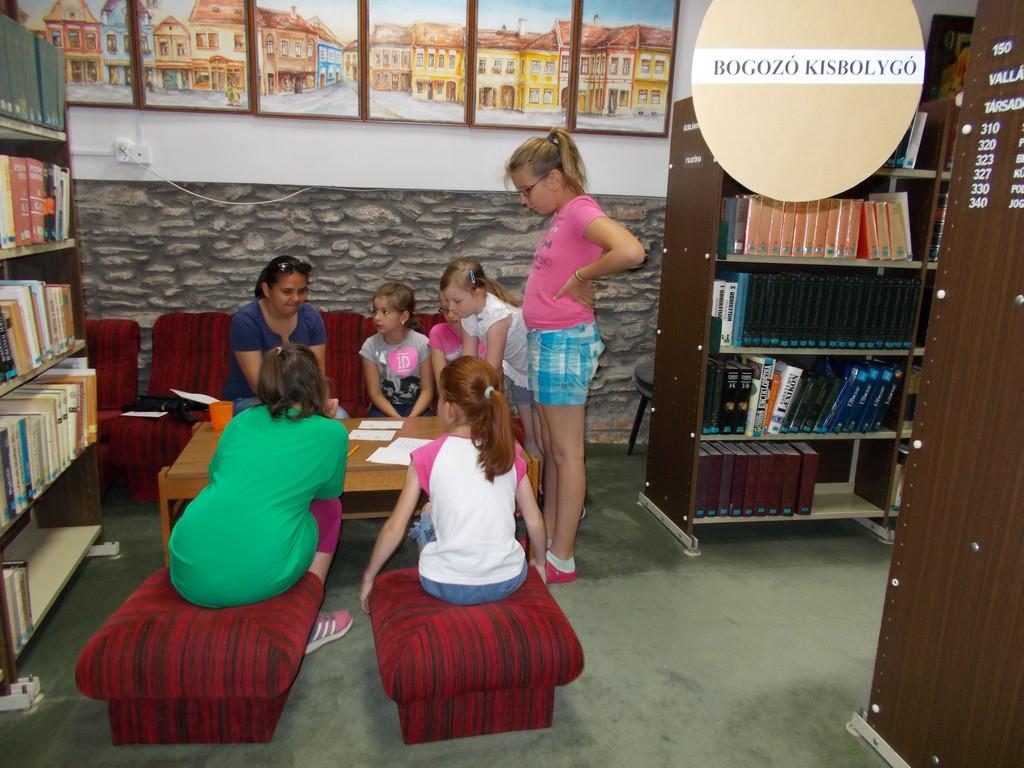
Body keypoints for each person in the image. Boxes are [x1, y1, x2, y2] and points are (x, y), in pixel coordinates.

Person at [505, 126, 645, 584]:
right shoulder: (562, 215)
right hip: (549, 341)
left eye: (526, 190)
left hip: (565, 342)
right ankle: (545, 540)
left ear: (554, 178)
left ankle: (561, 556)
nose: (523, 199)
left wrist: (584, 275)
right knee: (551, 449)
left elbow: (631, 250)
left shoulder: (580, 209)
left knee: (567, 454)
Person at [169, 344, 352, 654]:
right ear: (317, 383)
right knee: (329, 508)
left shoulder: (239, 422)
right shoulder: (331, 433)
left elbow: (217, 474)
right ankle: (307, 616)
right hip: (260, 575)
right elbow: (328, 492)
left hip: (187, 570)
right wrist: (323, 419)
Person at [359, 356, 546, 611]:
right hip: (508, 579)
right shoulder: (509, 452)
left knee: (428, 509)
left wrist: (369, 577)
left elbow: (395, 527)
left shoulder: (427, 456)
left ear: (448, 408)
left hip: (445, 584)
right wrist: (540, 564)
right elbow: (534, 521)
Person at [439, 258, 542, 467]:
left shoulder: (496, 317)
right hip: (519, 374)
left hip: (539, 373)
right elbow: (468, 362)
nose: (451, 308)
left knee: (543, 438)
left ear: (477, 294)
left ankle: (549, 482)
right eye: (447, 302)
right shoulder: (469, 313)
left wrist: (472, 404)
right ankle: (536, 482)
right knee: (530, 436)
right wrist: (460, 392)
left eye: (456, 301)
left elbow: (491, 368)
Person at [224, 255, 343, 418]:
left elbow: (317, 373)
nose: (296, 298)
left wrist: (322, 400)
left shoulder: (311, 317)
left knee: (340, 416)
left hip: (302, 401)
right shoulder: (246, 321)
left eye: (302, 291)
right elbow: (259, 386)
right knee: (283, 420)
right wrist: (298, 407)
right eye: (287, 292)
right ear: (266, 290)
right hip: (253, 401)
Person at [360, 282, 434, 417]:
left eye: (385, 312)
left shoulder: (422, 343)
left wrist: (411, 418)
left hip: (417, 407)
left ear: (404, 316)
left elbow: (427, 390)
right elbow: (375, 393)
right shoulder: (369, 346)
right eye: (375, 311)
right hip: (384, 408)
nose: (376, 317)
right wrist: (397, 418)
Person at [428, 291, 485, 394]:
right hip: (451, 395)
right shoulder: (437, 332)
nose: (450, 315)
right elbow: (441, 382)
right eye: (445, 310)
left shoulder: (486, 330)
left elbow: (492, 378)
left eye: (456, 310)